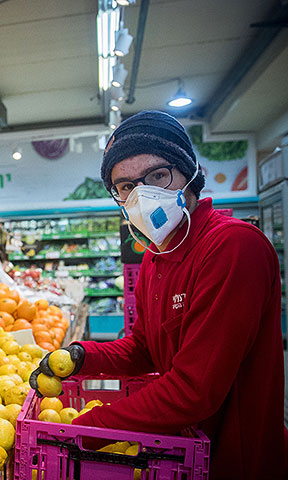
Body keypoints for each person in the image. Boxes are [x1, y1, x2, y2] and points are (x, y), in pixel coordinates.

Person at [30, 111, 287, 479]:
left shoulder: (233, 247)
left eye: (157, 176)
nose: (142, 195)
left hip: (236, 458)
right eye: (126, 187)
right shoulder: (156, 255)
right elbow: (145, 348)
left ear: (188, 174)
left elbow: (194, 390)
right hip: (179, 455)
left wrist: (89, 429)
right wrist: (80, 355)